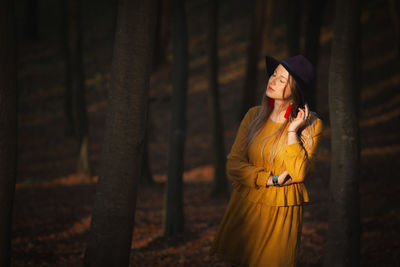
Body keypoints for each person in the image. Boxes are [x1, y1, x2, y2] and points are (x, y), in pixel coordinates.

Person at [209, 54, 324, 267]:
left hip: (282, 212)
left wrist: (292, 132)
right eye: (273, 74)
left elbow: (299, 173)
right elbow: (233, 165)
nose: (272, 81)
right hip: (245, 205)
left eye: (282, 80)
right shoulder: (254, 116)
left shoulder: (311, 126)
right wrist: (270, 180)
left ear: (296, 90)